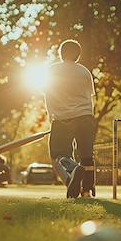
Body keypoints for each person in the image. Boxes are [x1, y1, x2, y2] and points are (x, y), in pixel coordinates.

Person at [42, 39, 96, 198]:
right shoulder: (85, 71)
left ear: (60, 53)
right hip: (85, 116)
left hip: (61, 118)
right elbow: (89, 95)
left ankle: (72, 170)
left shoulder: (51, 70)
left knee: (58, 155)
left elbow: (47, 94)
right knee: (87, 155)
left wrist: (51, 115)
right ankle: (86, 191)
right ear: (78, 56)